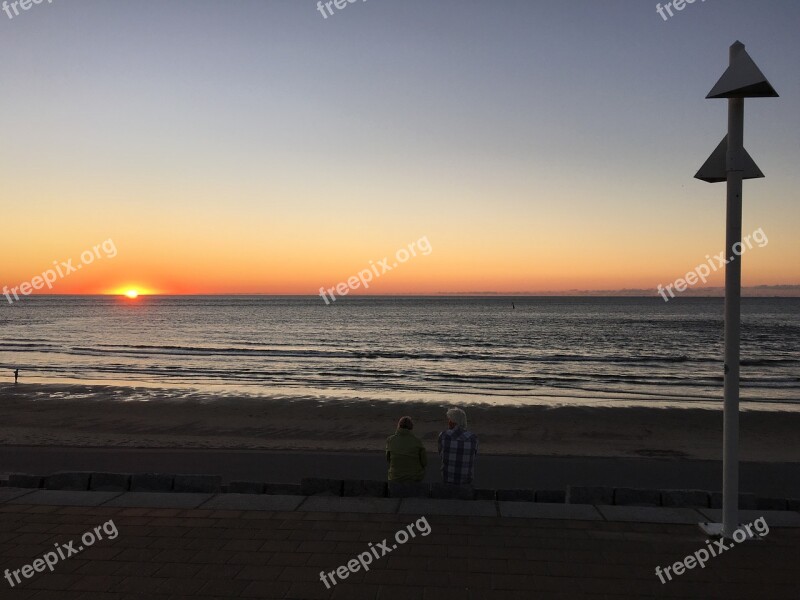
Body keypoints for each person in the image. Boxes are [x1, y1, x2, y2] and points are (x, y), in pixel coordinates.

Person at [438, 407, 478, 486]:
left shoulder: (443, 435)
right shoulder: (473, 438)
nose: (448, 422)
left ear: (453, 422)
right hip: (466, 479)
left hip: (447, 477)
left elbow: (441, 454)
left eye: (449, 420)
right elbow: (473, 456)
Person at [385, 416, 427, 483]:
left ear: (398, 426)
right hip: (414, 478)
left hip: (395, 477)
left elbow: (388, 459)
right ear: (411, 427)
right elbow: (424, 462)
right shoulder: (417, 441)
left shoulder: (390, 440)